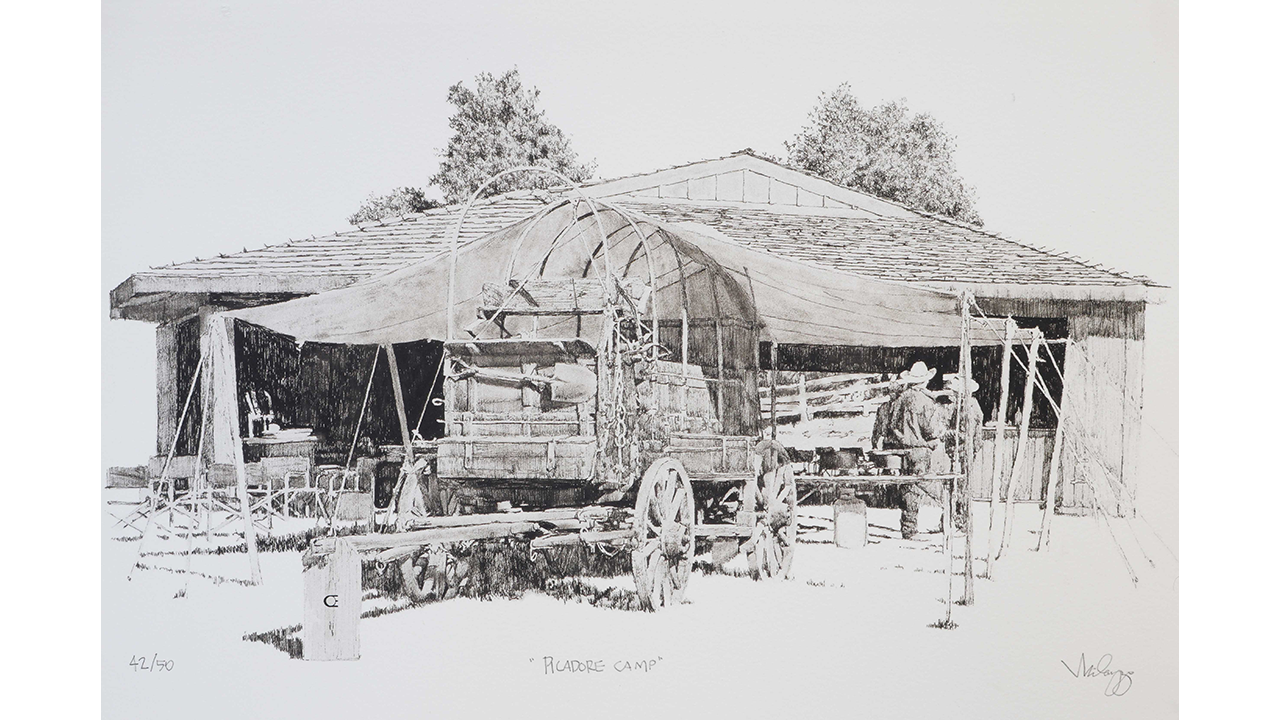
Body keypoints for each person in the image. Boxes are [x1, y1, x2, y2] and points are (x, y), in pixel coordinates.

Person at [872, 361, 944, 539]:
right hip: (921, 449)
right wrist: (936, 436)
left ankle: (908, 528)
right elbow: (930, 429)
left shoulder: (900, 399)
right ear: (925, 380)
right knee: (925, 483)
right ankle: (951, 506)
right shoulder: (926, 401)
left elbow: (893, 425)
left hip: (903, 451)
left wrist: (903, 439)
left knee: (908, 488)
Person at [938, 373, 984, 533]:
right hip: (962, 451)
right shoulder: (968, 405)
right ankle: (953, 520)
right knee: (958, 486)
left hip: (963, 452)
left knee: (960, 487)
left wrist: (946, 433)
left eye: (954, 392)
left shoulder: (967, 408)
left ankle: (960, 521)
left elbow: (965, 434)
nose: (952, 394)